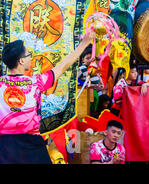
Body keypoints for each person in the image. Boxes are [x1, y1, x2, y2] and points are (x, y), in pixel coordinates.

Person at [0, 30, 95, 164]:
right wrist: (84, 43)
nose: (31, 58)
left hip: (4, 148)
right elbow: (63, 66)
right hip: (31, 146)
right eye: (29, 55)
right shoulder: (36, 83)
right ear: (21, 61)